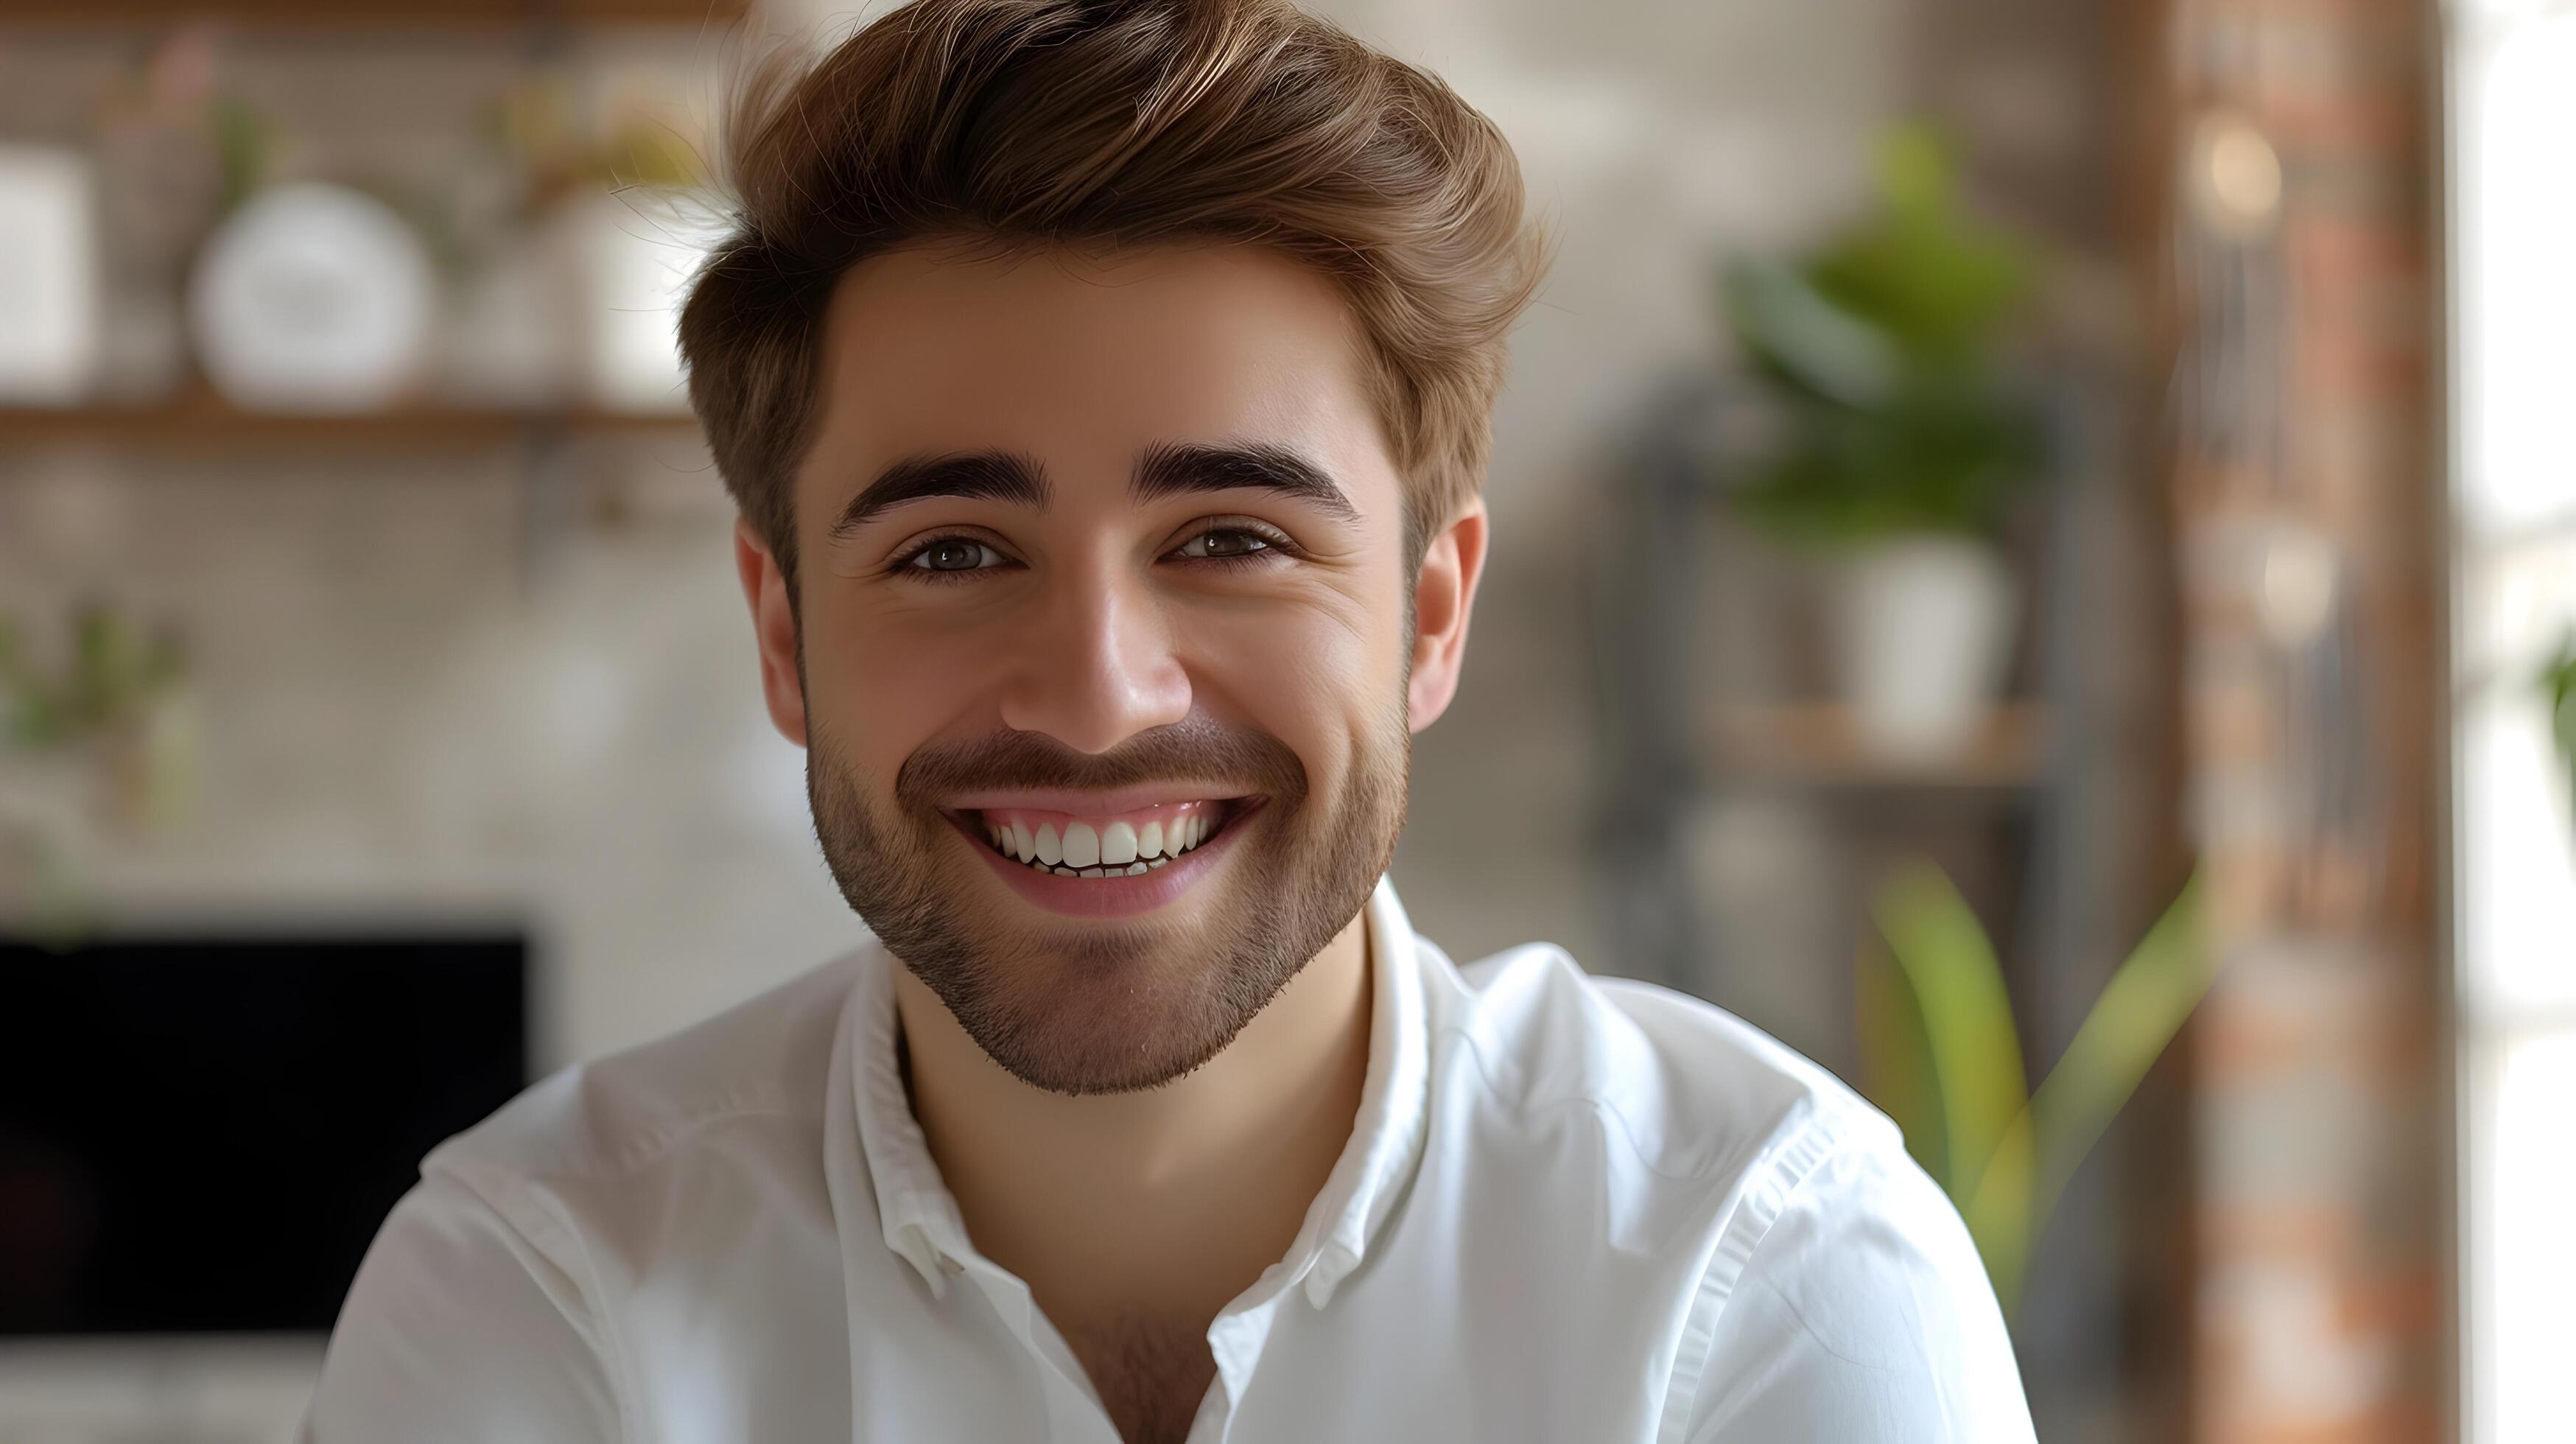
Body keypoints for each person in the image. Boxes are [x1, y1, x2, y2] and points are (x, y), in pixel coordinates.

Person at [303, 1, 2035, 1439]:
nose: (1099, 691)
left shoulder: (1759, 1268)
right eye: (955, 548)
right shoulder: (539, 1296)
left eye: (1230, 539)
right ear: (784, 629)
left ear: (1430, 611)